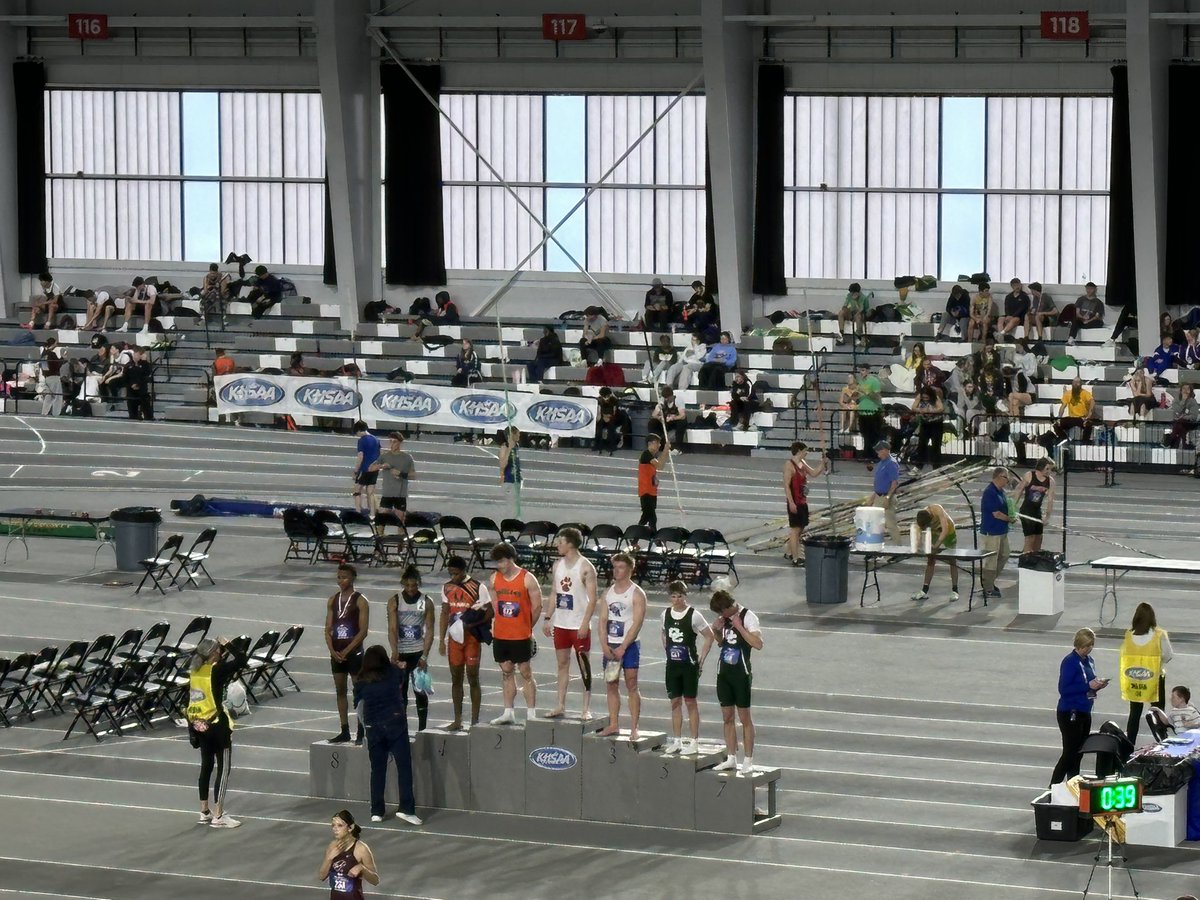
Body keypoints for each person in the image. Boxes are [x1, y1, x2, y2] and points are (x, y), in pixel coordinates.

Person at [352, 646, 423, 826]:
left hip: (373, 728)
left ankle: (377, 811)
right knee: (404, 768)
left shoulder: (361, 681)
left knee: (377, 770)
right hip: (395, 726)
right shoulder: (393, 673)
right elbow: (402, 677)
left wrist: (365, 730)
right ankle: (406, 808)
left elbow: (359, 706)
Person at [186, 636, 248, 828]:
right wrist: (229, 643)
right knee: (223, 769)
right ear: (214, 653)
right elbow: (242, 660)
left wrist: (192, 731)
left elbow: (191, 700)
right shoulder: (217, 670)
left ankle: (204, 811)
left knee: (206, 766)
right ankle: (219, 815)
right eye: (219, 651)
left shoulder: (195, 672)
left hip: (199, 724)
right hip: (217, 726)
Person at [703, 589, 763, 775]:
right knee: (727, 717)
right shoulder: (725, 618)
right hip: (724, 672)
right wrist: (716, 630)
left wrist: (739, 626)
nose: (721, 615)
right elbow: (722, 643)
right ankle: (731, 757)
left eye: (722, 612)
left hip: (741, 673)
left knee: (745, 718)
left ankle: (748, 759)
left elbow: (758, 643)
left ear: (729, 606)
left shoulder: (748, 616)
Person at [543, 527, 599, 719]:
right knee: (562, 664)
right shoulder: (557, 565)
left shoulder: (586, 568)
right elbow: (554, 592)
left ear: (570, 544)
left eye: (560, 542)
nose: (557, 545)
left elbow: (593, 599)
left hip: (578, 624)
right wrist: (548, 617)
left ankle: (586, 708)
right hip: (561, 624)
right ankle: (560, 704)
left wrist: (585, 623)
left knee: (584, 665)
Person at [488, 542, 542, 725]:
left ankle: (531, 713)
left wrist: (527, 627)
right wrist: (498, 623)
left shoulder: (527, 579)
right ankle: (508, 712)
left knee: (526, 672)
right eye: (497, 562)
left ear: (511, 559)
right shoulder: (494, 579)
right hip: (501, 635)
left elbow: (537, 607)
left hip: (521, 635)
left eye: (502, 561)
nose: (499, 566)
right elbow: (495, 605)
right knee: (506, 671)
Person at [597, 552, 647, 739]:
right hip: (610, 644)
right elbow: (602, 621)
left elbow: (637, 622)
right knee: (611, 684)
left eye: (620, 567)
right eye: (614, 567)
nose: (616, 571)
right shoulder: (608, 593)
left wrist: (624, 647)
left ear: (629, 570)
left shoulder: (636, 593)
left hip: (629, 645)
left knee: (631, 684)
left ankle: (634, 727)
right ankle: (614, 724)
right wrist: (604, 645)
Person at [438, 556, 491, 730]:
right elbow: (445, 613)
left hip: (472, 639)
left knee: (473, 677)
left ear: (464, 570)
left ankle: (474, 720)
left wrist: (471, 624)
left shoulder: (478, 587)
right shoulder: (447, 588)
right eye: (450, 573)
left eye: (456, 573)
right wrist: (441, 639)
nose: (453, 577)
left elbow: (490, 612)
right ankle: (457, 720)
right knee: (456, 679)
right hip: (454, 640)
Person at [661, 581, 713, 755]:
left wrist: (701, 660)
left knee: (690, 702)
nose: (676, 600)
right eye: (673, 596)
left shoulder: (694, 615)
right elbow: (663, 632)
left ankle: (694, 741)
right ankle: (677, 740)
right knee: (674, 702)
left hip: (688, 665)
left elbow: (709, 636)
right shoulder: (665, 614)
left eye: (679, 596)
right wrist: (666, 648)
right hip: (672, 665)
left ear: (685, 596)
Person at [1050, 628, 1108, 785]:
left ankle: (1072, 785)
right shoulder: (1070, 662)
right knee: (1069, 753)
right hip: (1070, 711)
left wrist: (1097, 685)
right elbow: (1063, 689)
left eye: (1091, 645)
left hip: (1084, 710)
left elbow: (1089, 682)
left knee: (1078, 753)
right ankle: (1053, 786)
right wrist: (1087, 686)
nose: (1088, 649)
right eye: (1086, 646)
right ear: (1078, 644)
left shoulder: (1089, 661)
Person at [387, 566, 435, 732]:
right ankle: (402, 727)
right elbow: (392, 628)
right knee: (400, 693)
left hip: (418, 651)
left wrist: (425, 656)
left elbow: (430, 630)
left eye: (414, 586)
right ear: (403, 585)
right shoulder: (395, 600)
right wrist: (394, 650)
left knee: (420, 691)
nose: (411, 589)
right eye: (407, 586)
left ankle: (422, 728)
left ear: (418, 584)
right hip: (402, 651)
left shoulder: (426, 602)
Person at [326, 564, 369, 744]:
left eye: (344, 577)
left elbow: (363, 631)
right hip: (337, 652)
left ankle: (361, 730)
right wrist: (332, 650)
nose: (340, 580)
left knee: (358, 690)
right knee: (340, 690)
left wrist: (347, 650)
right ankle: (344, 729)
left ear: (352, 579)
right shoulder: (332, 600)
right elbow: (328, 629)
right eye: (338, 577)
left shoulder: (360, 600)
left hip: (354, 651)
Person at [1120, 602, 1172, 744]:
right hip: (1154, 678)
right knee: (1158, 712)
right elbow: (1168, 654)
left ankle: (1129, 744)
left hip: (1134, 678)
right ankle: (1163, 743)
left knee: (1134, 714)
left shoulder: (1129, 635)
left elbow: (1125, 654)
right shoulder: (1159, 634)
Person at [318, 810, 380, 897]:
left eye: (340, 825)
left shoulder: (361, 849)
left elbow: (375, 880)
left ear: (350, 828)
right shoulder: (332, 846)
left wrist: (362, 868)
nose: (335, 829)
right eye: (333, 825)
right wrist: (329, 858)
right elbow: (321, 876)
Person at [784, 441, 825, 567]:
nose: (807, 453)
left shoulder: (802, 463)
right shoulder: (789, 465)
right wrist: (791, 503)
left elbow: (813, 473)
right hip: (795, 501)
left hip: (802, 500)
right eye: (805, 451)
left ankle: (790, 551)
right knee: (795, 529)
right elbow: (786, 485)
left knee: (801, 528)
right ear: (799, 451)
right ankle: (796, 558)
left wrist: (823, 463)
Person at [910, 504, 959, 602]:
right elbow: (919, 538)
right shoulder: (921, 519)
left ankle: (955, 590)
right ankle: (924, 590)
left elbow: (944, 531)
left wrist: (936, 546)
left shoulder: (937, 509)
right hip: (935, 532)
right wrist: (919, 546)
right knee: (931, 560)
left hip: (948, 530)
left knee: (952, 560)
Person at [979, 467, 1011, 599]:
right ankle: (988, 587)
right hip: (991, 531)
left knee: (1004, 555)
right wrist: (1009, 519)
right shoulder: (990, 492)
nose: (1007, 480)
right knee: (991, 560)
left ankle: (989, 582)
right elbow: (996, 513)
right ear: (999, 477)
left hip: (1002, 530)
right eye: (1006, 478)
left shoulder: (1001, 491)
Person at [373, 432, 414, 526]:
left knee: (400, 521)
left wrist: (400, 474)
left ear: (400, 443)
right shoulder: (384, 456)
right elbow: (371, 468)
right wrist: (382, 466)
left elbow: (413, 475)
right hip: (387, 493)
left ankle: (401, 539)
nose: (392, 444)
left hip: (400, 494)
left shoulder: (407, 457)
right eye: (390, 441)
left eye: (394, 442)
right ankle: (380, 538)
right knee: (381, 520)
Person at [1016, 459, 1055, 553]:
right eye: (1047, 469)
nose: (1049, 471)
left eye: (1050, 469)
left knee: (1039, 537)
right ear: (1041, 467)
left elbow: (1050, 500)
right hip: (1026, 510)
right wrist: (1012, 507)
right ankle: (1026, 557)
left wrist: (1047, 516)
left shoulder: (1050, 481)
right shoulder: (1029, 475)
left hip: (1037, 511)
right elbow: (1019, 491)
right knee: (1030, 537)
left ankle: (1035, 557)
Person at [868, 440, 902, 544]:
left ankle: (898, 546)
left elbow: (894, 482)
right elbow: (880, 482)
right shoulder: (881, 463)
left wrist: (888, 497)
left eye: (879, 450)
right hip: (878, 496)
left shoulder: (891, 463)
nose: (877, 453)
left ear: (885, 450)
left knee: (891, 524)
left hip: (886, 496)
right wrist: (873, 496)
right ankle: (875, 544)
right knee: (875, 522)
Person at [637, 434, 669, 532]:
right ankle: (656, 541)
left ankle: (634, 540)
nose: (659, 445)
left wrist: (666, 452)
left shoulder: (652, 456)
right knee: (651, 518)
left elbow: (661, 466)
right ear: (650, 443)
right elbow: (659, 465)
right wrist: (665, 450)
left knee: (646, 517)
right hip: (646, 491)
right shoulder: (646, 454)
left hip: (651, 491)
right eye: (657, 443)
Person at [1052, 377, 1097, 443]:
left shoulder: (1085, 393)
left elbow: (1092, 402)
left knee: (1088, 424)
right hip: (1071, 418)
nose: (1076, 384)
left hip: (1082, 418)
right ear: (1072, 384)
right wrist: (1059, 418)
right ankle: (1064, 438)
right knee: (1056, 425)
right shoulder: (1068, 394)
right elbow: (1063, 406)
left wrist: (1089, 415)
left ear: (1081, 384)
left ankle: (1085, 441)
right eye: (1074, 382)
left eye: (1078, 382)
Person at [352, 422, 381, 518]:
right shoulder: (376, 439)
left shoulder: (362, 440)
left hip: (364, 469)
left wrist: (356, 471)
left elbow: (360, 456)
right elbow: (380, 453)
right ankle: (372, 514)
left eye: (357, 433)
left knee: (357, 490)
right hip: (374, 469)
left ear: (359, 431)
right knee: (370, 492)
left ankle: (358, 512)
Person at [912, 387, 945, 471]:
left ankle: (936, 466)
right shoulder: (919, 397)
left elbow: (941, 408)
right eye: (924, 398)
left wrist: (931, 411)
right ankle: (919, 465)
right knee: (922, 444)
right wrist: (921, 410)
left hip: (936, 423)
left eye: (927, 397)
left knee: (936, 445)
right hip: (925, 423)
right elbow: (913, 407)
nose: (925, 399)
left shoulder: (935, 397)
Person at [648, 386, 687, 454]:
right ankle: (657, 443)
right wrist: (658, 417)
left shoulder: (678, 400)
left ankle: (678, 448)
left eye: (668, 398)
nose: (666, 400)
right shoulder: (662, 400)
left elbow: (682, 415)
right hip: (667, 421)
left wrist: (673, 418)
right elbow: (654, 414)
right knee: (652, 423)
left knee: (681, 422)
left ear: (671, 396)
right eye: (665, 398)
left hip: (676, 420)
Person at [856, 364, 884, 455]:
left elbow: (877, 396)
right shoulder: (860, 381)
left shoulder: (874, 381)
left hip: (872, 411)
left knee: (873, 434)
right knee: (864, 433)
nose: (861, 372)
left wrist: (865, 391)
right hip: (862, 411)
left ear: (868, 371)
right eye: (860, 370)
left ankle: (874, 454)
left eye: (863, 370)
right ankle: (867, 453)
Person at [1164, 383, 1198, 449]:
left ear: (1190, 391)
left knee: (1180, 422)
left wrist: (1183, 417)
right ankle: (1184, 445)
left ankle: (1170, 440)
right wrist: (1183, 400)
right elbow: (1176, 411)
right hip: (1178, 422)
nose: (1185, 390)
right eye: (1184, 388)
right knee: (1180, 426)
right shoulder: (1176, 401)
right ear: (1181, 391)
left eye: (1188, 389)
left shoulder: (1193, 402)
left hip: (1189, 422)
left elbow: (1194, 416)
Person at [124, 347, 154, 421]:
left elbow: (147, 375)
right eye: (134, 354)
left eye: (137, 354)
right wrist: (131, 385)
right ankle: (133, 417)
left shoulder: (145, 365)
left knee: (146, 407)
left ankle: (148, 417)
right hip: (131, 391)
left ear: (141, 355)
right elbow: (125, 377)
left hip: (142, 391)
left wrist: (138, 384)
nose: (135, 356)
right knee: (132, 413)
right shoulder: (128, 365)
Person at [38, 338, 63, 418]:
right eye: (56, 343)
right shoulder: (52, 354)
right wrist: (62, 358)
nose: (56, 345)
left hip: (46, 377)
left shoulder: (43, 354)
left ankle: (44, 413)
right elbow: (57, 366)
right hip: (54, 377)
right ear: (53, 344)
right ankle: (56, 414)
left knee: (49, 396)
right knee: (57, 396)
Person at [498, 425, 521, 495]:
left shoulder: (516, 446)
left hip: (516, 479)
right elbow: (502, 464)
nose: (519, 435)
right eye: (517, 433)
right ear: (512, 435)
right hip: (508, 480)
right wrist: (509, 448)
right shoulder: (504, 447)